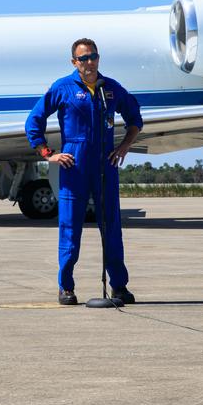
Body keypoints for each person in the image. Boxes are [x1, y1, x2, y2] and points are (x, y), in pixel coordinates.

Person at [26, 39, 143, 306]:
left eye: (93, 57)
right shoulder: (62, 88)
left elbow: (135, 118)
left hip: (105, 166)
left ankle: (119, 286)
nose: (89, 63)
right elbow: (34, 120)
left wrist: (124, 146)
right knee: (69, 228)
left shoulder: (110, 88)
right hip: (74, 166)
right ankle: (66, 287)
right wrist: (48, 153)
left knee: (112, 227)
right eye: (83, 59)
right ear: (74, 62)